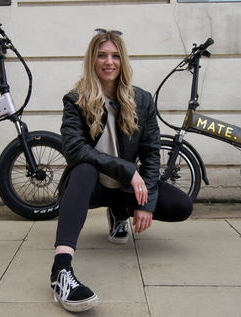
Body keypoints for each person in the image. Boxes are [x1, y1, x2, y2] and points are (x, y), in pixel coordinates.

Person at [50, 28, 193, 312]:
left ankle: (120, 212)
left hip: (126, 189)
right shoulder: (75, 100)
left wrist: (146, 204)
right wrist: (127, 169)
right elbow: (75, 149)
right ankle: (60, 271)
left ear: (122, 60)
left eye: (115, 55)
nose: (109, 62)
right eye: (101, 55)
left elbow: (152, 155)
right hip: (90, 188)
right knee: (84, 169)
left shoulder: (143, 100)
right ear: (92, 60)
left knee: (181, 206)